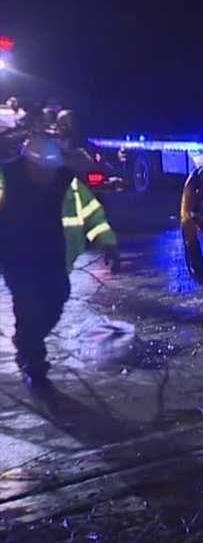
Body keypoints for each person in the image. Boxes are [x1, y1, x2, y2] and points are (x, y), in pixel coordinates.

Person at [0, 133, 119, 386]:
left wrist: (107, 243)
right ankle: (35, 362)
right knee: (29, 307)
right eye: (41, 170)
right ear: (28, 164)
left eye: (50, 170)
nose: (46, 175)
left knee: (56, 300)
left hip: (53, 258)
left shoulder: (66, 181)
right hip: (16, 259)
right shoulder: (6, 178)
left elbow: (91, 212)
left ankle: (26, 340)